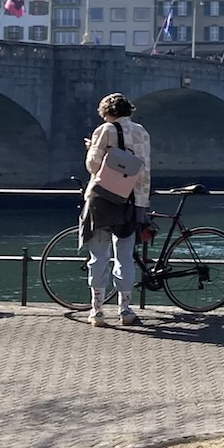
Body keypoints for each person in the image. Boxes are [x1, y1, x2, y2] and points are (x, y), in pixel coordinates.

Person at [82, 92, 152, 327]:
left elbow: (93, 165)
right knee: (125, 256)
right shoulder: (142, 132)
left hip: (103, 199)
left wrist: (91, 148)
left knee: (99, 255)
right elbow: (143, 171)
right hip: (131, 200)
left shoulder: (105, 130)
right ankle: (125, 309)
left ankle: (97, 311)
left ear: (106, 113)